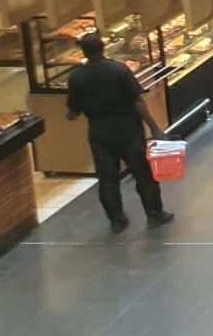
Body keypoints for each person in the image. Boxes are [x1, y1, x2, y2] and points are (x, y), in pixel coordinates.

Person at [65, 32, 174, 233]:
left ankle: (117, 220)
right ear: (103, 47)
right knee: (142, 173)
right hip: (128, 128)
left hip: (99, 131)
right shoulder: (118, 70)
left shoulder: (76, 76)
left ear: (83, 52)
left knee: (107, 178)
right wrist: (154, 127)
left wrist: (73, 113)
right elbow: (137, 101)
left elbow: (72, 111)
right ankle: (154, 214)